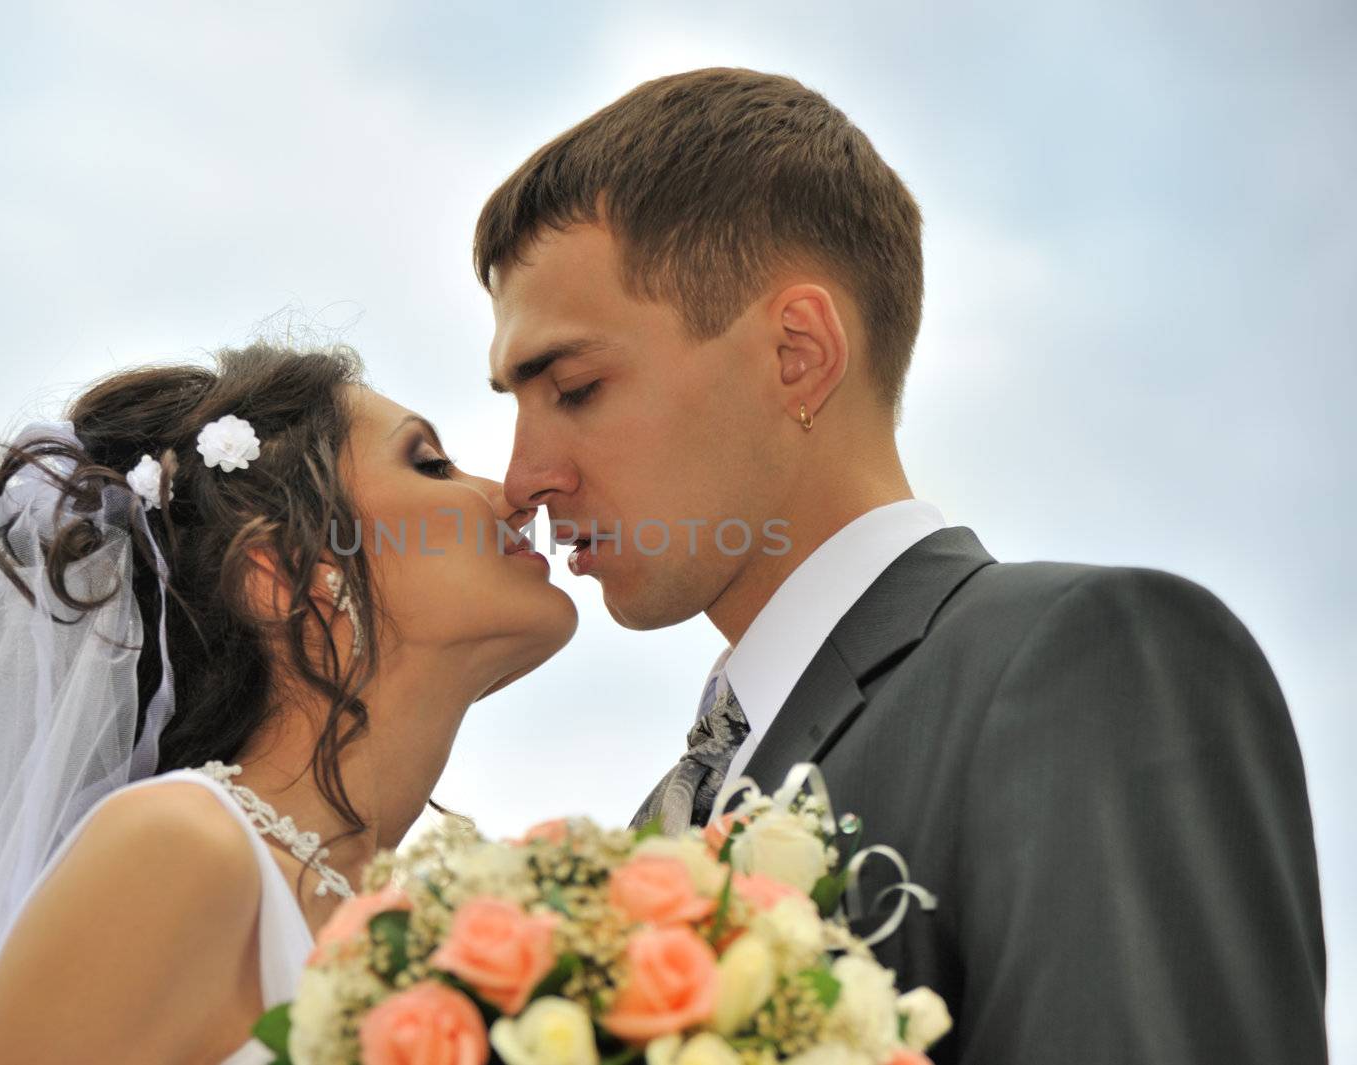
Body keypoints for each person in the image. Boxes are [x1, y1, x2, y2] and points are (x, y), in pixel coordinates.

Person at [475, 67, 1327, 1063]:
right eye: (515, 402)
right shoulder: (651, 833)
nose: (521, 479)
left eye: (573, 388)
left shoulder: (1084, 664)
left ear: (796, 352)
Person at [0, 342, 576, 1064]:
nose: (511, 493)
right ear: (284, 576)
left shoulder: (434, 928)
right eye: (430, 463)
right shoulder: (183, 847)